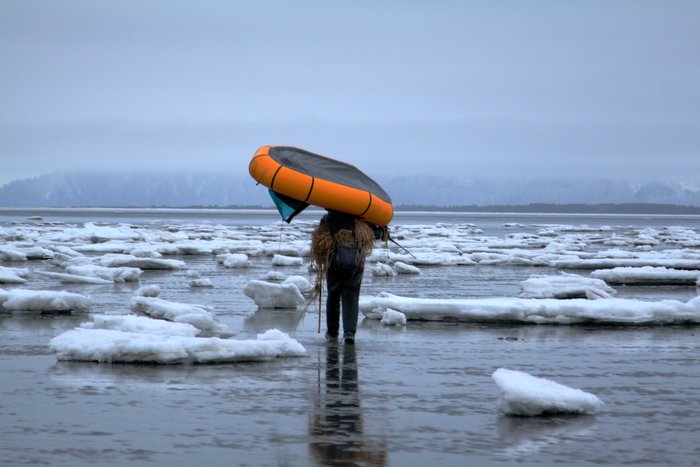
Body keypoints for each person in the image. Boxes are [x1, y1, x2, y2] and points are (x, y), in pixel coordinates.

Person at [310, 210, 387, 344]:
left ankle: (332, 333)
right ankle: (349, 334)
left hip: (333, 262)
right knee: (351, 296)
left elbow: (319, 239)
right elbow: (375, 234)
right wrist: (383, 232)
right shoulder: (362, 220)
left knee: (333, 296)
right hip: (355, 264)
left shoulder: (328, 218)